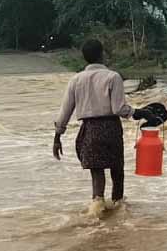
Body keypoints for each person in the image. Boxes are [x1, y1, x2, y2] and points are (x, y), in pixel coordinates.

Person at [53, 39, 153, 208]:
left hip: (89, 130)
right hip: (110, 128)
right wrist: (140, 113)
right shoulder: (113, 77)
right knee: (117, 171)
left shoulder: (76, 80)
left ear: (84, 58)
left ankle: (97, 209)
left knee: (97, 173)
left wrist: (57, 138)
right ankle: (119, 208)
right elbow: (119, 109)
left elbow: (65, 111)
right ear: (102, 54)